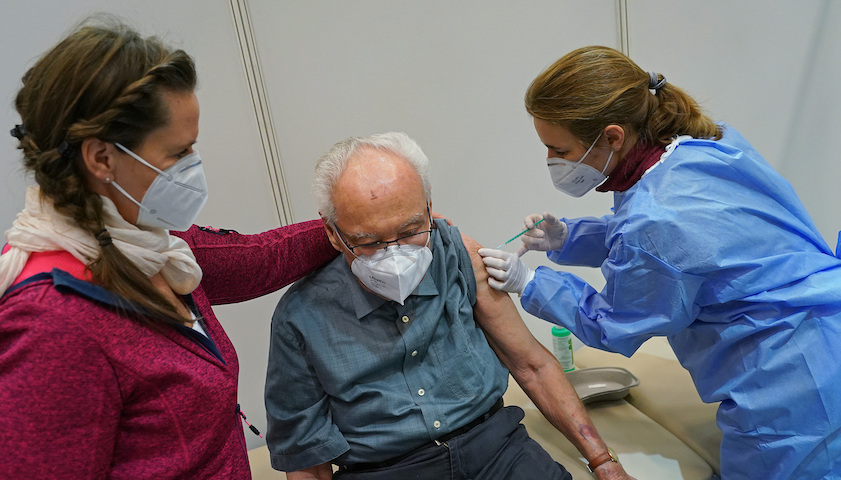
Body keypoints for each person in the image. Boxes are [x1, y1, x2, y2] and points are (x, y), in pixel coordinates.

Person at [478, 45, 841, 479]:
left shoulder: (655, 218)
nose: (552, 162)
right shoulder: (707, 146)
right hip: (827, 325)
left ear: (612, 136)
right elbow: (691, 245)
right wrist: (569, 239)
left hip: (789, 381)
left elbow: (618, 321)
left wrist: (531, 283)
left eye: (560, 150)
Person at [0, 19, 338, 479]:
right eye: (179, 152)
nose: (193, 167)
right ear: (101, 158)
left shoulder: (152, 246)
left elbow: (260, 259)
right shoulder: (52, 322)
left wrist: (362, 225)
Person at [264, 131, 635, 480]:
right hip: (388, 470)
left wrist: (603, 462)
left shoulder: (457, 254)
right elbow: (305, 452)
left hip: (495, 449)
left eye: (410, 231)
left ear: (429, 208)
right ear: (333, 233)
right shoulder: (301, 317)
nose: (394, 255)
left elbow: (532, 364)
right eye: (370, 242)